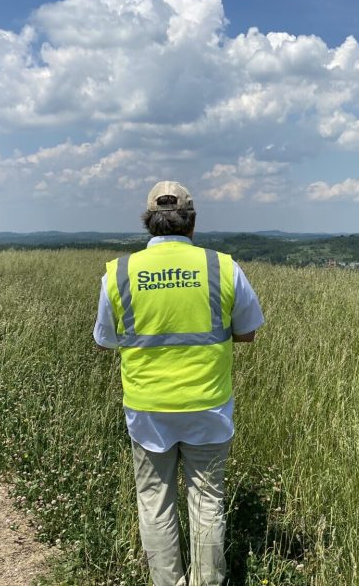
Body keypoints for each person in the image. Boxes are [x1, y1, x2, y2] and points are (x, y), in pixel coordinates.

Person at [93, 180, 264, 586]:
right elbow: (247, 332)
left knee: (155, 501)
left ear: (148, 222)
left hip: (148, 408)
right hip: (208, 404)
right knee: (207, 500)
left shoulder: (119, 273)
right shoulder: (222, 267)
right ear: (192, 222)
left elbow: (105, 340)